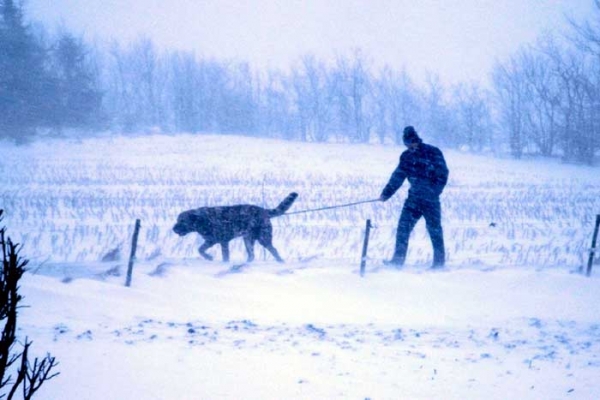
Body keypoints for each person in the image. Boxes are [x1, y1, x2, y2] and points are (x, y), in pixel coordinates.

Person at [379, 126, 449, 268]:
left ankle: (439, 264)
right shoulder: (406, 157)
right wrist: (386, 193)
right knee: (403, 229)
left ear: (416, 140)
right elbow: (398, 176)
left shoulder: (433, 152)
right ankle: (397, 261)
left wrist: (434, 192)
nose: (409, 146)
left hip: (431, 201)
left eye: (411, 143)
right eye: (406, 144)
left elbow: (443, 174)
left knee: (435, 231)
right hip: (413, 200)